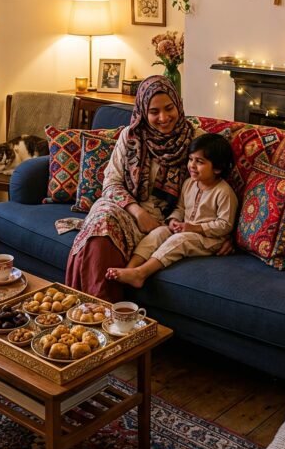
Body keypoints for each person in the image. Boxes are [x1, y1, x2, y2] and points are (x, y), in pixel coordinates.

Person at [66, 75, 232, 301]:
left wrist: (226, 236)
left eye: (169, 108)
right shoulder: (131, 135)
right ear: (143, 110)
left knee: (139, 236)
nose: (164, 118)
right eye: (154, 112)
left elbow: (220, 192)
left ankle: (107, 316)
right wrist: (138, 212)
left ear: (178, 104)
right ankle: (93, 313)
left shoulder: (197, 140)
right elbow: (111, 183)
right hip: (126, 208)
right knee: (100, 229)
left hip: (167, 221)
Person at [105, 133, 237, 288]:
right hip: (186, 229)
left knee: (180, 240)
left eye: (199, 162)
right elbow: (180, 208)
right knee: (159, 232)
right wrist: (173, 221)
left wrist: (194, 228)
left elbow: (224, 225)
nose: (192, 165)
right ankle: (130, 268)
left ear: (218, 168)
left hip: (210, 240)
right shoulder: (189, 183)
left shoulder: (224, 193)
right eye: (191, 159)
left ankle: (141, 273)